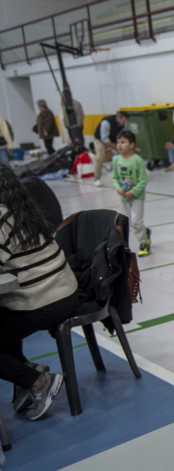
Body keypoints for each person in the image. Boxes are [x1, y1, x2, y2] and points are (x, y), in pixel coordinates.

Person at [0, 164, 78, 421]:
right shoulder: (20, 206)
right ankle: (24, 378)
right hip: (64, 290)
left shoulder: (1, 216)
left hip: (46, 300)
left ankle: (35, 381)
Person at [111, 130, 151, 257]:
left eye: (123, 142)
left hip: (137, 197)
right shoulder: (116, 160)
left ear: (131, 144)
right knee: (126, 222)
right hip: (123, 198)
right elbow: (115, 178)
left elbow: (143, 179)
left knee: (136, 222)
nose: (119, 145)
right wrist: (118, 189)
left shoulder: (137, 160)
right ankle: (144, 233)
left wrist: (133, 192)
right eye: (118, 143)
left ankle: (143, 242)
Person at [92, 111, 130, 187]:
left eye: (126, 121)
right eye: (124, 121)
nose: (124, 123)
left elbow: (120, 136)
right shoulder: (106, 122)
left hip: (113, 139)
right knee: (100, 157)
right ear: (118, 118)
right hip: (100, 140)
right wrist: (115, 147)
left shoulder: (123, 125)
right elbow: (105, 139)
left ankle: (124, 177)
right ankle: (97, 178)